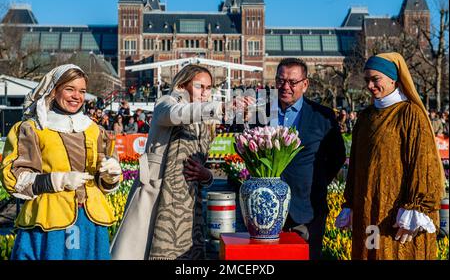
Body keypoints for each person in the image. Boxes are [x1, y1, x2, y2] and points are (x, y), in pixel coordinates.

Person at [110, 64, 253, 260]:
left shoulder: (204, 121)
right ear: (182, 86)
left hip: (189, 203)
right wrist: (222, 107)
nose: (205, 93)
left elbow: (204, 167)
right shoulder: (166, 103)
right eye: (199, 86)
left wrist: (207, 176)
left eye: (208, 87)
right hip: (156, 196)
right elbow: (176, 114)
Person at [0, 64, 122, 260]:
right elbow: (13, 178)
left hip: (91, 222)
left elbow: (104, 182)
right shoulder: (32, 129)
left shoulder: (95, 130)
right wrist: (58, 180)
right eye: (70, 89)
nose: (77, 96)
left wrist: (111, 176)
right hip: (48, 222)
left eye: (82, 91)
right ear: (53, 91)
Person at [336, 53, 445, 260]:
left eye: (375, 79)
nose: (370, 85)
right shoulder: (365, 116)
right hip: (368, 210)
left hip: (398, 215)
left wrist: (415, 208)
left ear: (393, 79)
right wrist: (350, 202)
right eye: (367, 80)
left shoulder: (410, 114)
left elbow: (423, 165)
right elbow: (356, 166)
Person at [267, 58, 346, 260]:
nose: (285, 87)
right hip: (267, 211)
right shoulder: (260, 113)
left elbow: (337, 157)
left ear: (305, 84)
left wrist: (315, 183)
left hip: (307, 209)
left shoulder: (323, 116)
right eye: (280, 80)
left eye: (292, 82)